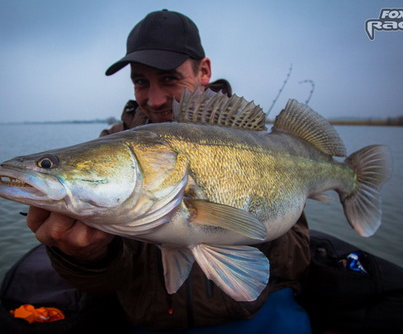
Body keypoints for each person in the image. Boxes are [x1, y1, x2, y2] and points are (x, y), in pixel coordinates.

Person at [26, 9, 311, 333]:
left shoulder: (263, 147)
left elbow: (299, 259)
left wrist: (245, 225)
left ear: (203, 71)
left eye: (169, 78)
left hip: (254, 318)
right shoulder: (109, 145)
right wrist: (84, 256)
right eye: (140, 81)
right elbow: (103, 283)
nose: (155, 98)